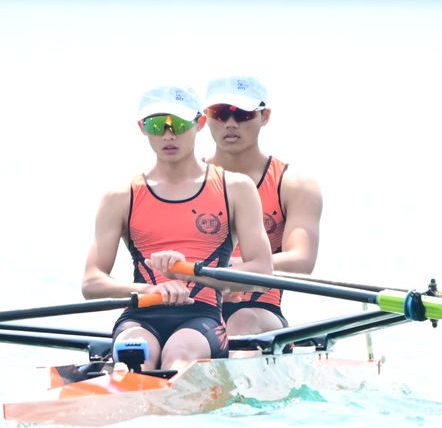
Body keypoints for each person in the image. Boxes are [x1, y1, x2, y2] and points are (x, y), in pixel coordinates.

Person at [81, 84, 273, 373]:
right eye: (157, 125)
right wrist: (150, 288)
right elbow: (91, 282)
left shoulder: (235, 188)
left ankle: (161, 384)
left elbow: (262, 274)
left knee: (178, 354)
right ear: (142, 128)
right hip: (139, 316)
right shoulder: (120, 195)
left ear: (200, 123)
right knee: (136, 354)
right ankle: (133, 383)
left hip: (202, 318)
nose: (168, 135)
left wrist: (187, 272)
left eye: (179, 124)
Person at [203, 75, 323, 335]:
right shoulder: (184, 183)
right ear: (205, 118)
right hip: (192, 307)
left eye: (243, 113)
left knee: (242, 320)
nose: (231, 123)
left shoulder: (294, 184)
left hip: (256, 310)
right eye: (220, 113)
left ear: (264, 116)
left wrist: (230, 269)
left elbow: (301, 260)